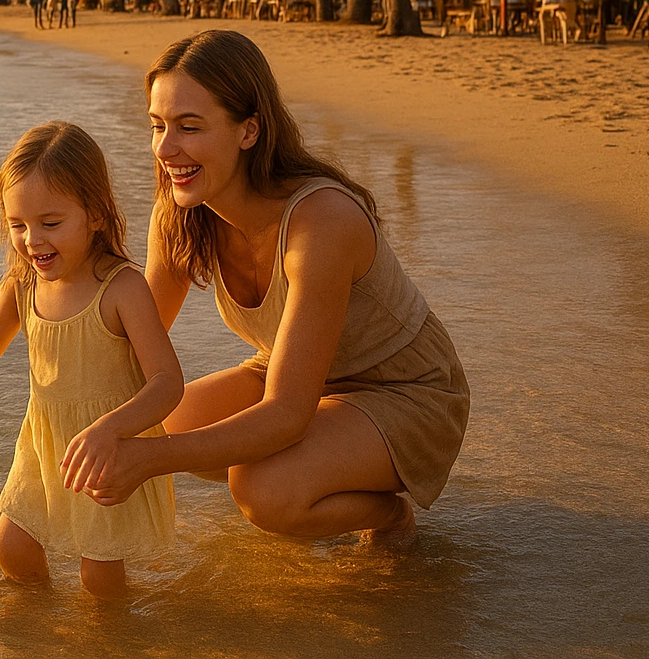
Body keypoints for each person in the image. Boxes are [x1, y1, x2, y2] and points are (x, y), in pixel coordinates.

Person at [84, 31, 469, 548]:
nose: (165, 149)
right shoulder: (180, 216)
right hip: (299, 373)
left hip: (405, 391)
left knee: (263, 489)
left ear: (249, 130)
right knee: (162, 419)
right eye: (158, 126)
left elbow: (287, 414)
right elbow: (128, 352)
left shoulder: (322, 221)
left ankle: (386, 515)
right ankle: (322, 473)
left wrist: (148, 462)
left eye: (190, 127)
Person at [0, 122, 182, 600]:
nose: (32, 241)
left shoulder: (121, 288)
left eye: (51, 223)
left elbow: (168, 383)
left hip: (109, 447)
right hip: (45, 444)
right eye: (18, 225)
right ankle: (39, 636)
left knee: (99, 579)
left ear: (95, 214)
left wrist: (112, 429)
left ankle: (110, 644)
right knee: (13, 549)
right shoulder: (23, 283)